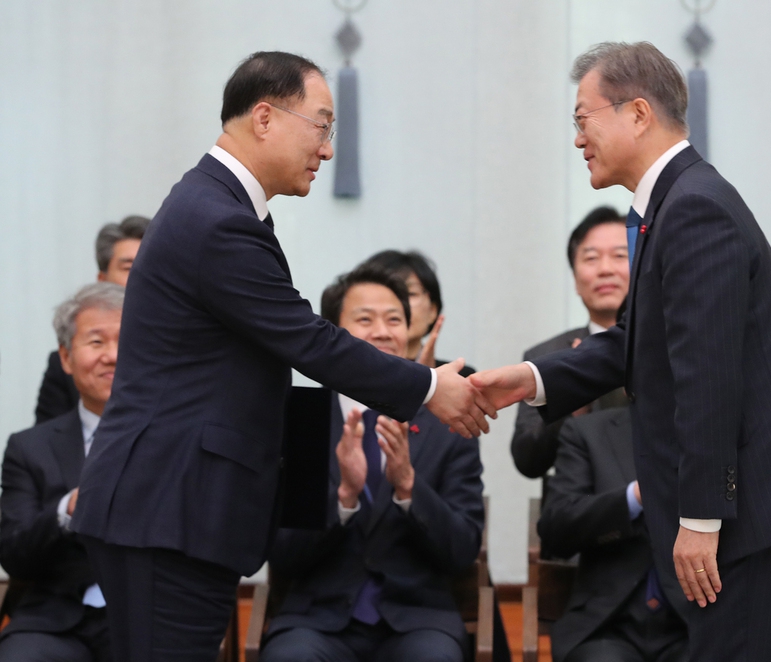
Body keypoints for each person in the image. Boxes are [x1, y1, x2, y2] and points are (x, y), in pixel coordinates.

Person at [70, 51, 493, 662]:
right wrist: (429, 388)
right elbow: (308, 340)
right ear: (265, 117)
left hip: (173, 505)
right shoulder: (217, 220)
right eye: (322, 126)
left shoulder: (215, 206)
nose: (326, 150)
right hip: (168, 504)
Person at [471, 41, 771, 661]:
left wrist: (701, 518)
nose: (577, 138)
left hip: (749, 505)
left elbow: (709, 374)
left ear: (637, 113)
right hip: (746, 500)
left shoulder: (693, 208)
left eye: (582, 119)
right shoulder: (669, 205)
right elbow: (635, 343)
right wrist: (532, 380)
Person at [259, 264, 484, 662]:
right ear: (334, 332)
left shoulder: (444, 422)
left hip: (419, 620)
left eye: (394, 319)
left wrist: (409, 487)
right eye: (365, 319)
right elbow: (284, 554)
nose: (382, 331)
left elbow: (463, 549)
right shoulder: (306, 418)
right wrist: (344, 497)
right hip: (318, 619)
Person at [0, 282, 124, 662]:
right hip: (55, 618)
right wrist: (66, 509)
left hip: (147, 615)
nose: (113, 356)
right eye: (97, 342)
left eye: (125, 341)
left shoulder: (173, 441)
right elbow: (15, 554)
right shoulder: (29, 448)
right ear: (67, 358)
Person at [538, 407, 687, 662]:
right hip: (608, 625)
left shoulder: (723, 437)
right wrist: (634, 498)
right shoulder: (588, 431)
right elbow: (556, 528)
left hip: (693, 623)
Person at [510, 206, 629, 482]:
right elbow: (527, 460)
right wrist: (571, 399)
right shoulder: (547, 356)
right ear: (575, 280)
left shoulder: (668, 348)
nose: (605, 269)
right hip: (579, 513)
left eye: (620, 256)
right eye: (591, 258)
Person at [34, 215, 150, 424]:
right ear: (102, 280)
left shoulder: (183, 351)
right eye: (128, 267)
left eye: (151, 266)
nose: (142, 276)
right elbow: (46, 449)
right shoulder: (73, 362)